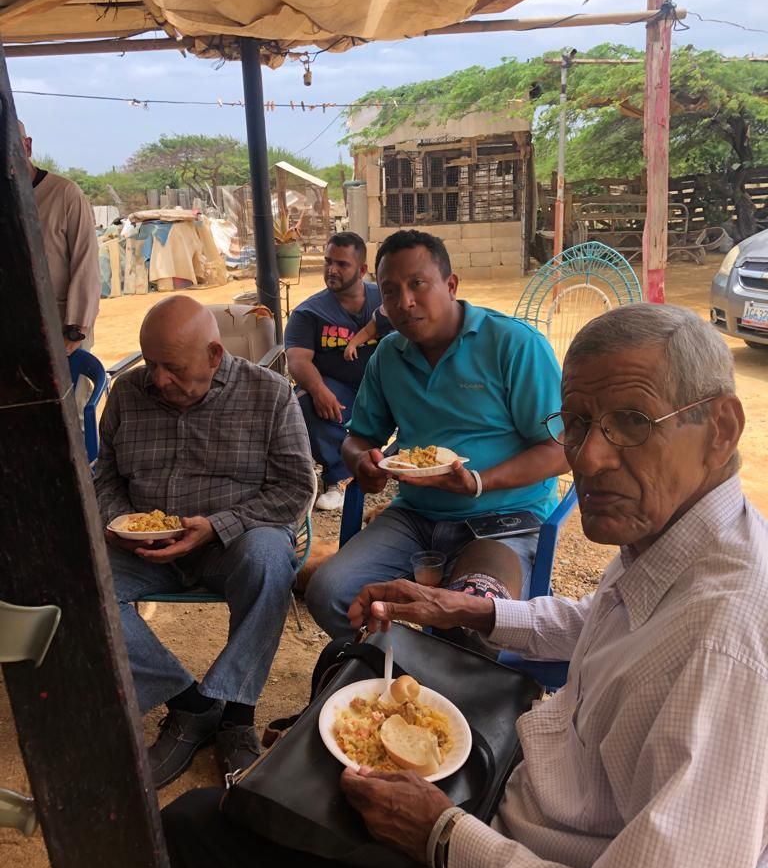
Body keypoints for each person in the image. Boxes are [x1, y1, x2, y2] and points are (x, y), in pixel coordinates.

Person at [162, 303, 768, 868]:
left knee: (198, 830)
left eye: (631, 423)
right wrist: (468, 608)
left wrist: (441, 836)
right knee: (349, 668)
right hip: (529, 776)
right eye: (579, 424)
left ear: (721, 428)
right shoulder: (687, 537)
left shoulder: (726, 651)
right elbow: (609, 620)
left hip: (516, 863)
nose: (587, 460)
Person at [94, 296, 315, 788]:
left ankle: (236, 715)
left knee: (268, 557)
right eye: (149, 363)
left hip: (228, 545)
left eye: (172, 367)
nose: (157, 379)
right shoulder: (129, 393)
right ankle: (191, 706)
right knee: (81, 584)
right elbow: (104, 475)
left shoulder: (270, 394)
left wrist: (218, 526)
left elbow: (296, 489)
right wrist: (121, 522)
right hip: (144, 547)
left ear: (215, 355)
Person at [305, 229, 568, 638]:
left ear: (451, 284)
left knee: (472, 617)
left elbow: (561, 449)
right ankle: (394, 681)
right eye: (390, 291)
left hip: (503, 518)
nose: (404, 302)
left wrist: (478, 482)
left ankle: (446, 688)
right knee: (329, 591)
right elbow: (359, 437)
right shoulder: (388, 356)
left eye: (417, 285)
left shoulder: (513, 345)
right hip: (415, 516)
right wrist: (362, 462)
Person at [285, 231, 392, 512]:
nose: (332, 270)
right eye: (328, 262)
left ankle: (418, 465)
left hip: (387, 389)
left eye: (342, 264)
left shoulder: (386, 299)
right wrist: (320, 391)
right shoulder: (309, 312)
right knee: (305, 399)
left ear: (363, 270)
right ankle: (340, 474)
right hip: (340, 393)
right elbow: (297, 359)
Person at [18, 120, 100, 355]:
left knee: (70, 392)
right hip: (15, 331)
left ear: (27, 147)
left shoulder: (65, 195)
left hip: (64, 331)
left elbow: (86, 266)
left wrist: (75, 329)